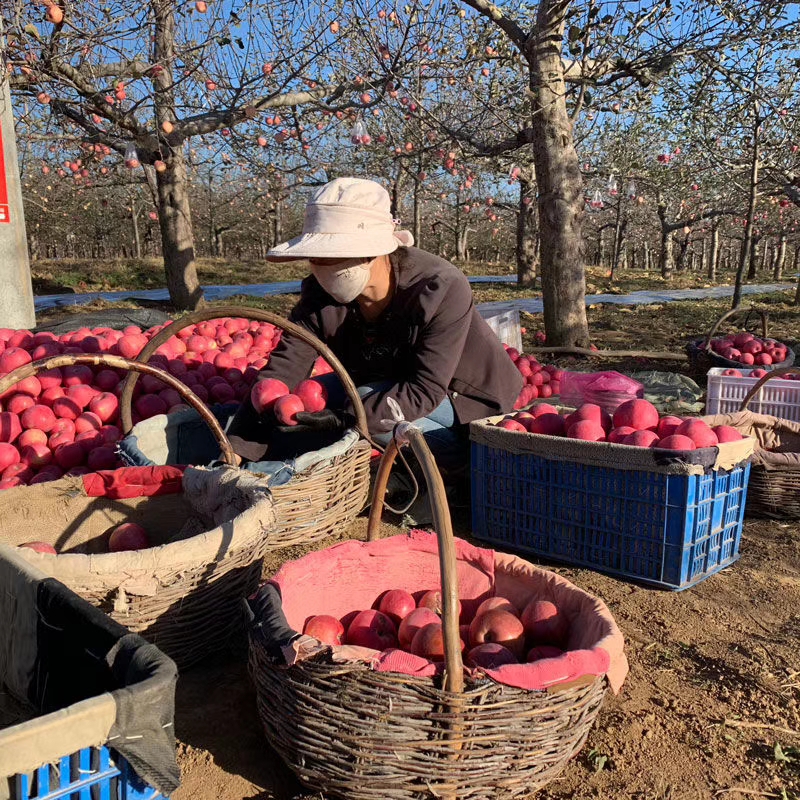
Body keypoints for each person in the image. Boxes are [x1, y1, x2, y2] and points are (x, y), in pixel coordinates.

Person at [227, 177, 523, 489]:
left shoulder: (439, 287)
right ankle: (278, 470)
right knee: (313, 399)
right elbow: (284, 369)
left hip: (467, 405)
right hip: (389, 387)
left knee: (363, 402)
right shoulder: (319, 296)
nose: (321, 268)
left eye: (333, 257)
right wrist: (236, 448)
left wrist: (348, 419)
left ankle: (456, 467)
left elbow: (423, 390)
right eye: (316, 259)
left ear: (373, 252)